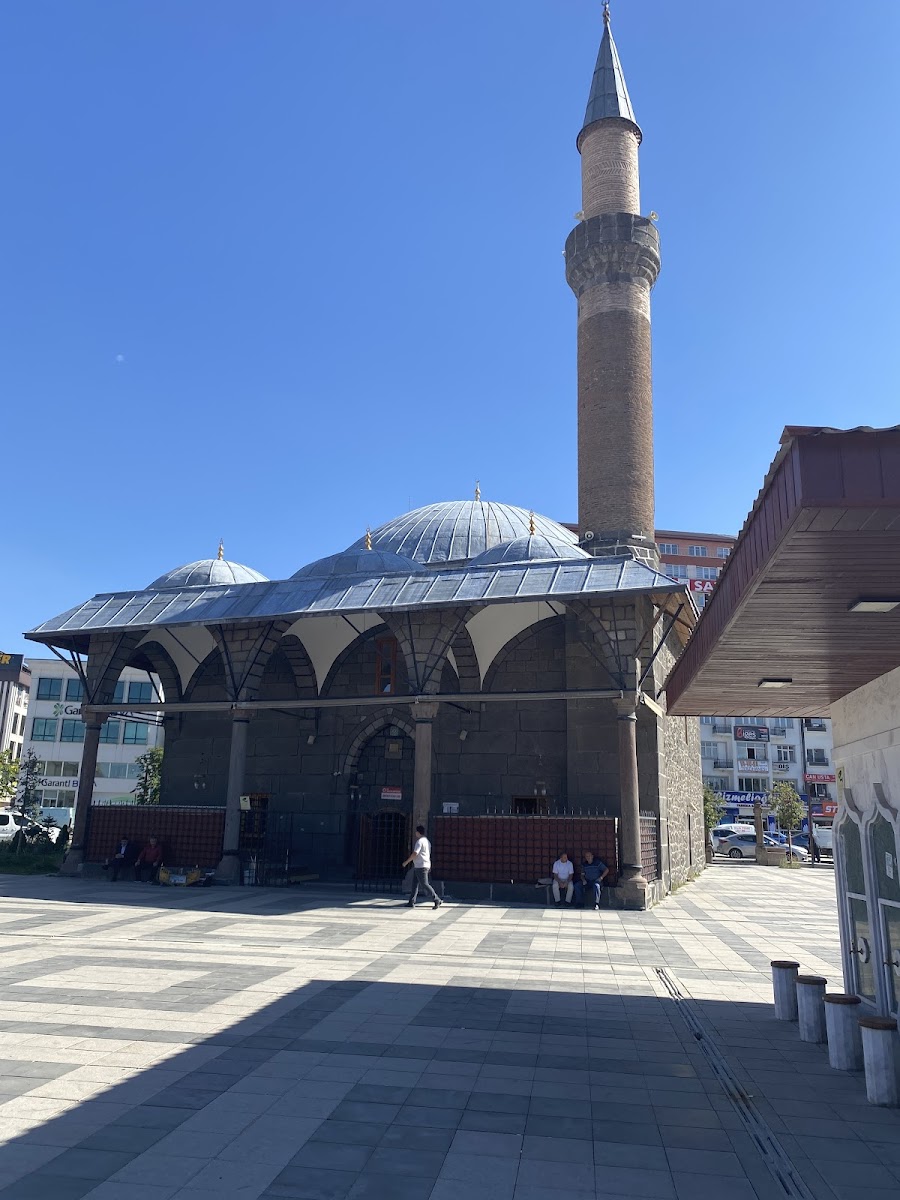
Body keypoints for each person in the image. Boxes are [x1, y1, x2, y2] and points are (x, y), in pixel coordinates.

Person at [402, 824, 442, 910]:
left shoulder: (419, 842)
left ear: (417, 832)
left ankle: (436, 899)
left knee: (424, 884)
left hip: (421, 865)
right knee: (415, 884)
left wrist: (406, 862)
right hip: (423, 865)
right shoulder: (427, 842)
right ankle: (411, 901)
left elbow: (415, 853)